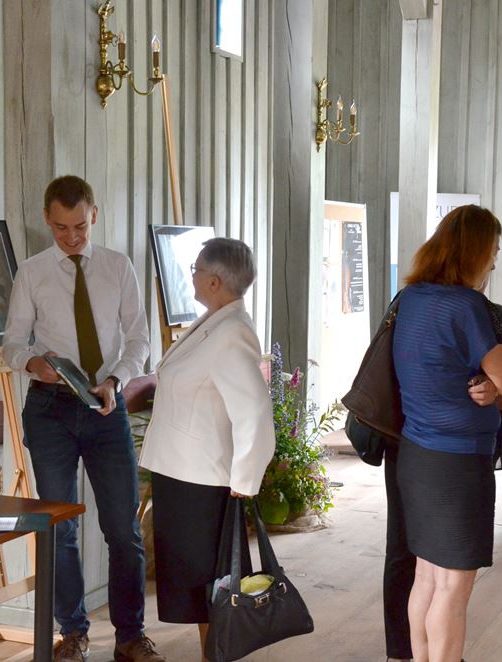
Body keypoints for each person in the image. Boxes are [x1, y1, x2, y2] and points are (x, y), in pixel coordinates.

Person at [2, 175, 164, 662]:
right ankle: (71, 633)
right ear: (47, 221)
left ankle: (131, 636)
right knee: (60, 528)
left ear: (94, 213)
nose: (71, 237)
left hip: (106, 408)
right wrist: (34, 364)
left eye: (79, 225)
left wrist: (115, 381)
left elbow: (139, 338)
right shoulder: (31, 273)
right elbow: (12, 344)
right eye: (59, 228)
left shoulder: (118, 267)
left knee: (123, 529)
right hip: (50, 410)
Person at [382, 270, 502, 662]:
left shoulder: (409, 298)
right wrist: (501, 385)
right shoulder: (471, 307)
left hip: (415, 451)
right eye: (492, 253)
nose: (494, 265)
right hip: (455, 459)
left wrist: (495, 392)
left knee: (427, 577)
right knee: (450, 585)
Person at [139, 237, 276, 662]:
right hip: (182, 473)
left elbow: (254, 410)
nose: (192, 274)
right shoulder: (216, 320)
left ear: (215, 280)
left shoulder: (232, 332)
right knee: (200, 591)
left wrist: (245, 479)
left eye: (196, 268)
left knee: (213, 589)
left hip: (203, 480)